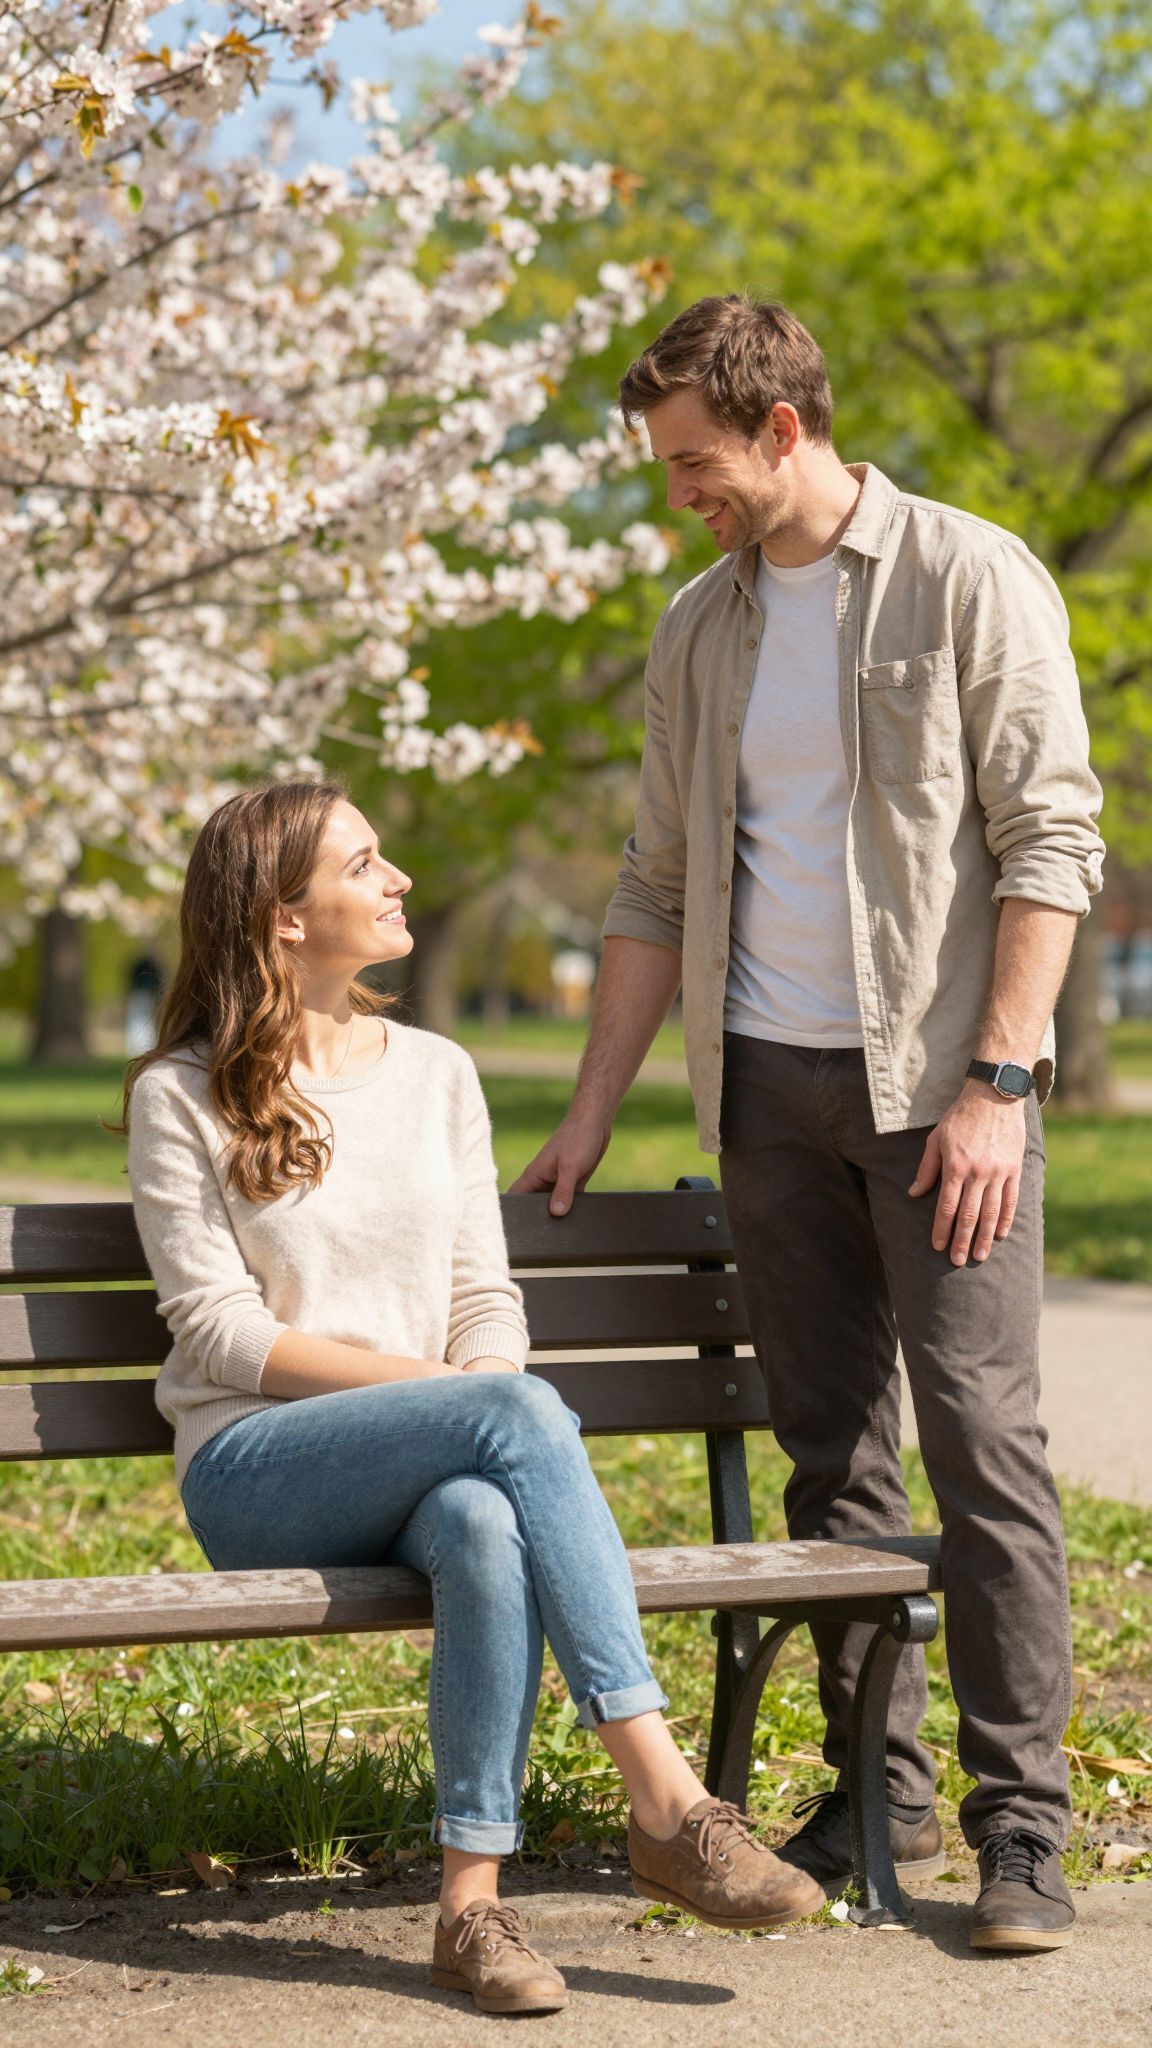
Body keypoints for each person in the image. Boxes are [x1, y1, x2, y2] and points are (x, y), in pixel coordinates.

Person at [513, 295, 1107, 1954]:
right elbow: (652, 881)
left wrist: (998, 1084)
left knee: (984, 1451)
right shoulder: (696, 627)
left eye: (696, 463)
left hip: (940, 1098)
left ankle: (1019, 1827)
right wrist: (587, 1115)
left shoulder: (969, 575)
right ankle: (876, 1791)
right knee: (832, 1456)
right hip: (763, 1091)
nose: (678, 496)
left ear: (784, 428)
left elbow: (1045, 838)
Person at [120, 779, 823, 2018]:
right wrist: (465, 1397)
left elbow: (481, 1295)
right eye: (364, 862)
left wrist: (478, 1392)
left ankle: (471, 1910)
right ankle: (664, 1798)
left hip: (435, 1458)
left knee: (487, 1523)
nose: (398, 880)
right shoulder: (180, 1092)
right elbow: (223, 1334)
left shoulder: (437, 1073)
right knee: (511, 1416)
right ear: (283, 918)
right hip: (260, 1467)